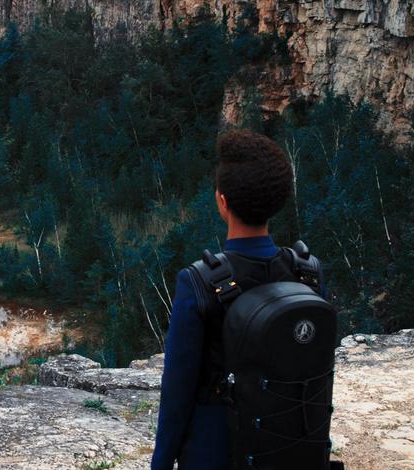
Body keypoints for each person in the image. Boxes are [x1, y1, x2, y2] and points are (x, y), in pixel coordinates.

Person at [150, 128, 303, 469]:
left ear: (222, 201)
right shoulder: (306, 273)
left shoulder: (198, 282)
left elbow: (177, 391)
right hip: (287, 447)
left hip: (215, 451)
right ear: (277, 201)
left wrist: (161, 463)